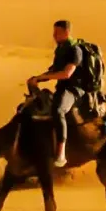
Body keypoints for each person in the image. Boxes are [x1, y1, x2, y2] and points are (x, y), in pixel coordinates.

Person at [27, 20, 85, 168]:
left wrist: (42, 78)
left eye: (57, 33)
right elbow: (54, 71)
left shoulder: (75, 50)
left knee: (58, 110)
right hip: (62, 88)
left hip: (74, 90)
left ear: (66, 32)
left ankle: (61, 153)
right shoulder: (60, 49)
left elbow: (67, 74)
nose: (53, 36)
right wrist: (37, 79)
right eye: (53, 32)